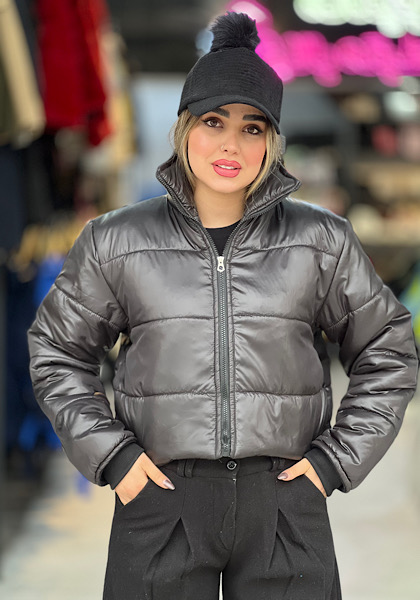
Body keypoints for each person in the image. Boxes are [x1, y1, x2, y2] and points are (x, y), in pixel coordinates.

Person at [27, 12, 418, 600]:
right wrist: (113, 456)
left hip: (285, 502)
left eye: (252, 127)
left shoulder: (321, 240)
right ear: (185, 127)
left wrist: (334, 462)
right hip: (160, 498)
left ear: (272, 142)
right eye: (214, 121)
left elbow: (389, 353)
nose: (231, 144)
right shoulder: (117, 240)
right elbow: (57, 352)